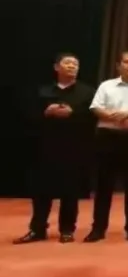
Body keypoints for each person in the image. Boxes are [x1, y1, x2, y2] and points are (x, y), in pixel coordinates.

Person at [14, 53, 95, 244]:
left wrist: (73, 113)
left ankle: (67, 229)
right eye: (67, 63)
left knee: (70, 192)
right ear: (57, 67)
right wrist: (46, 112)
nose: (72, 66)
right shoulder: (42, 91)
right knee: (41, 191)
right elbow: (27, 116)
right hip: (45, 148)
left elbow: (93, 118)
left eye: (75, 64)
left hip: (74, 148)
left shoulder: (88, 92)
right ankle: (37, 229)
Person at [85, 51, 128, 242]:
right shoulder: (106, 85)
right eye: (127, 62)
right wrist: (112, 116)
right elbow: (96, 107)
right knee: (103, 185)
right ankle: (98, 228)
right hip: (107, 136)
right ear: (118, 66)